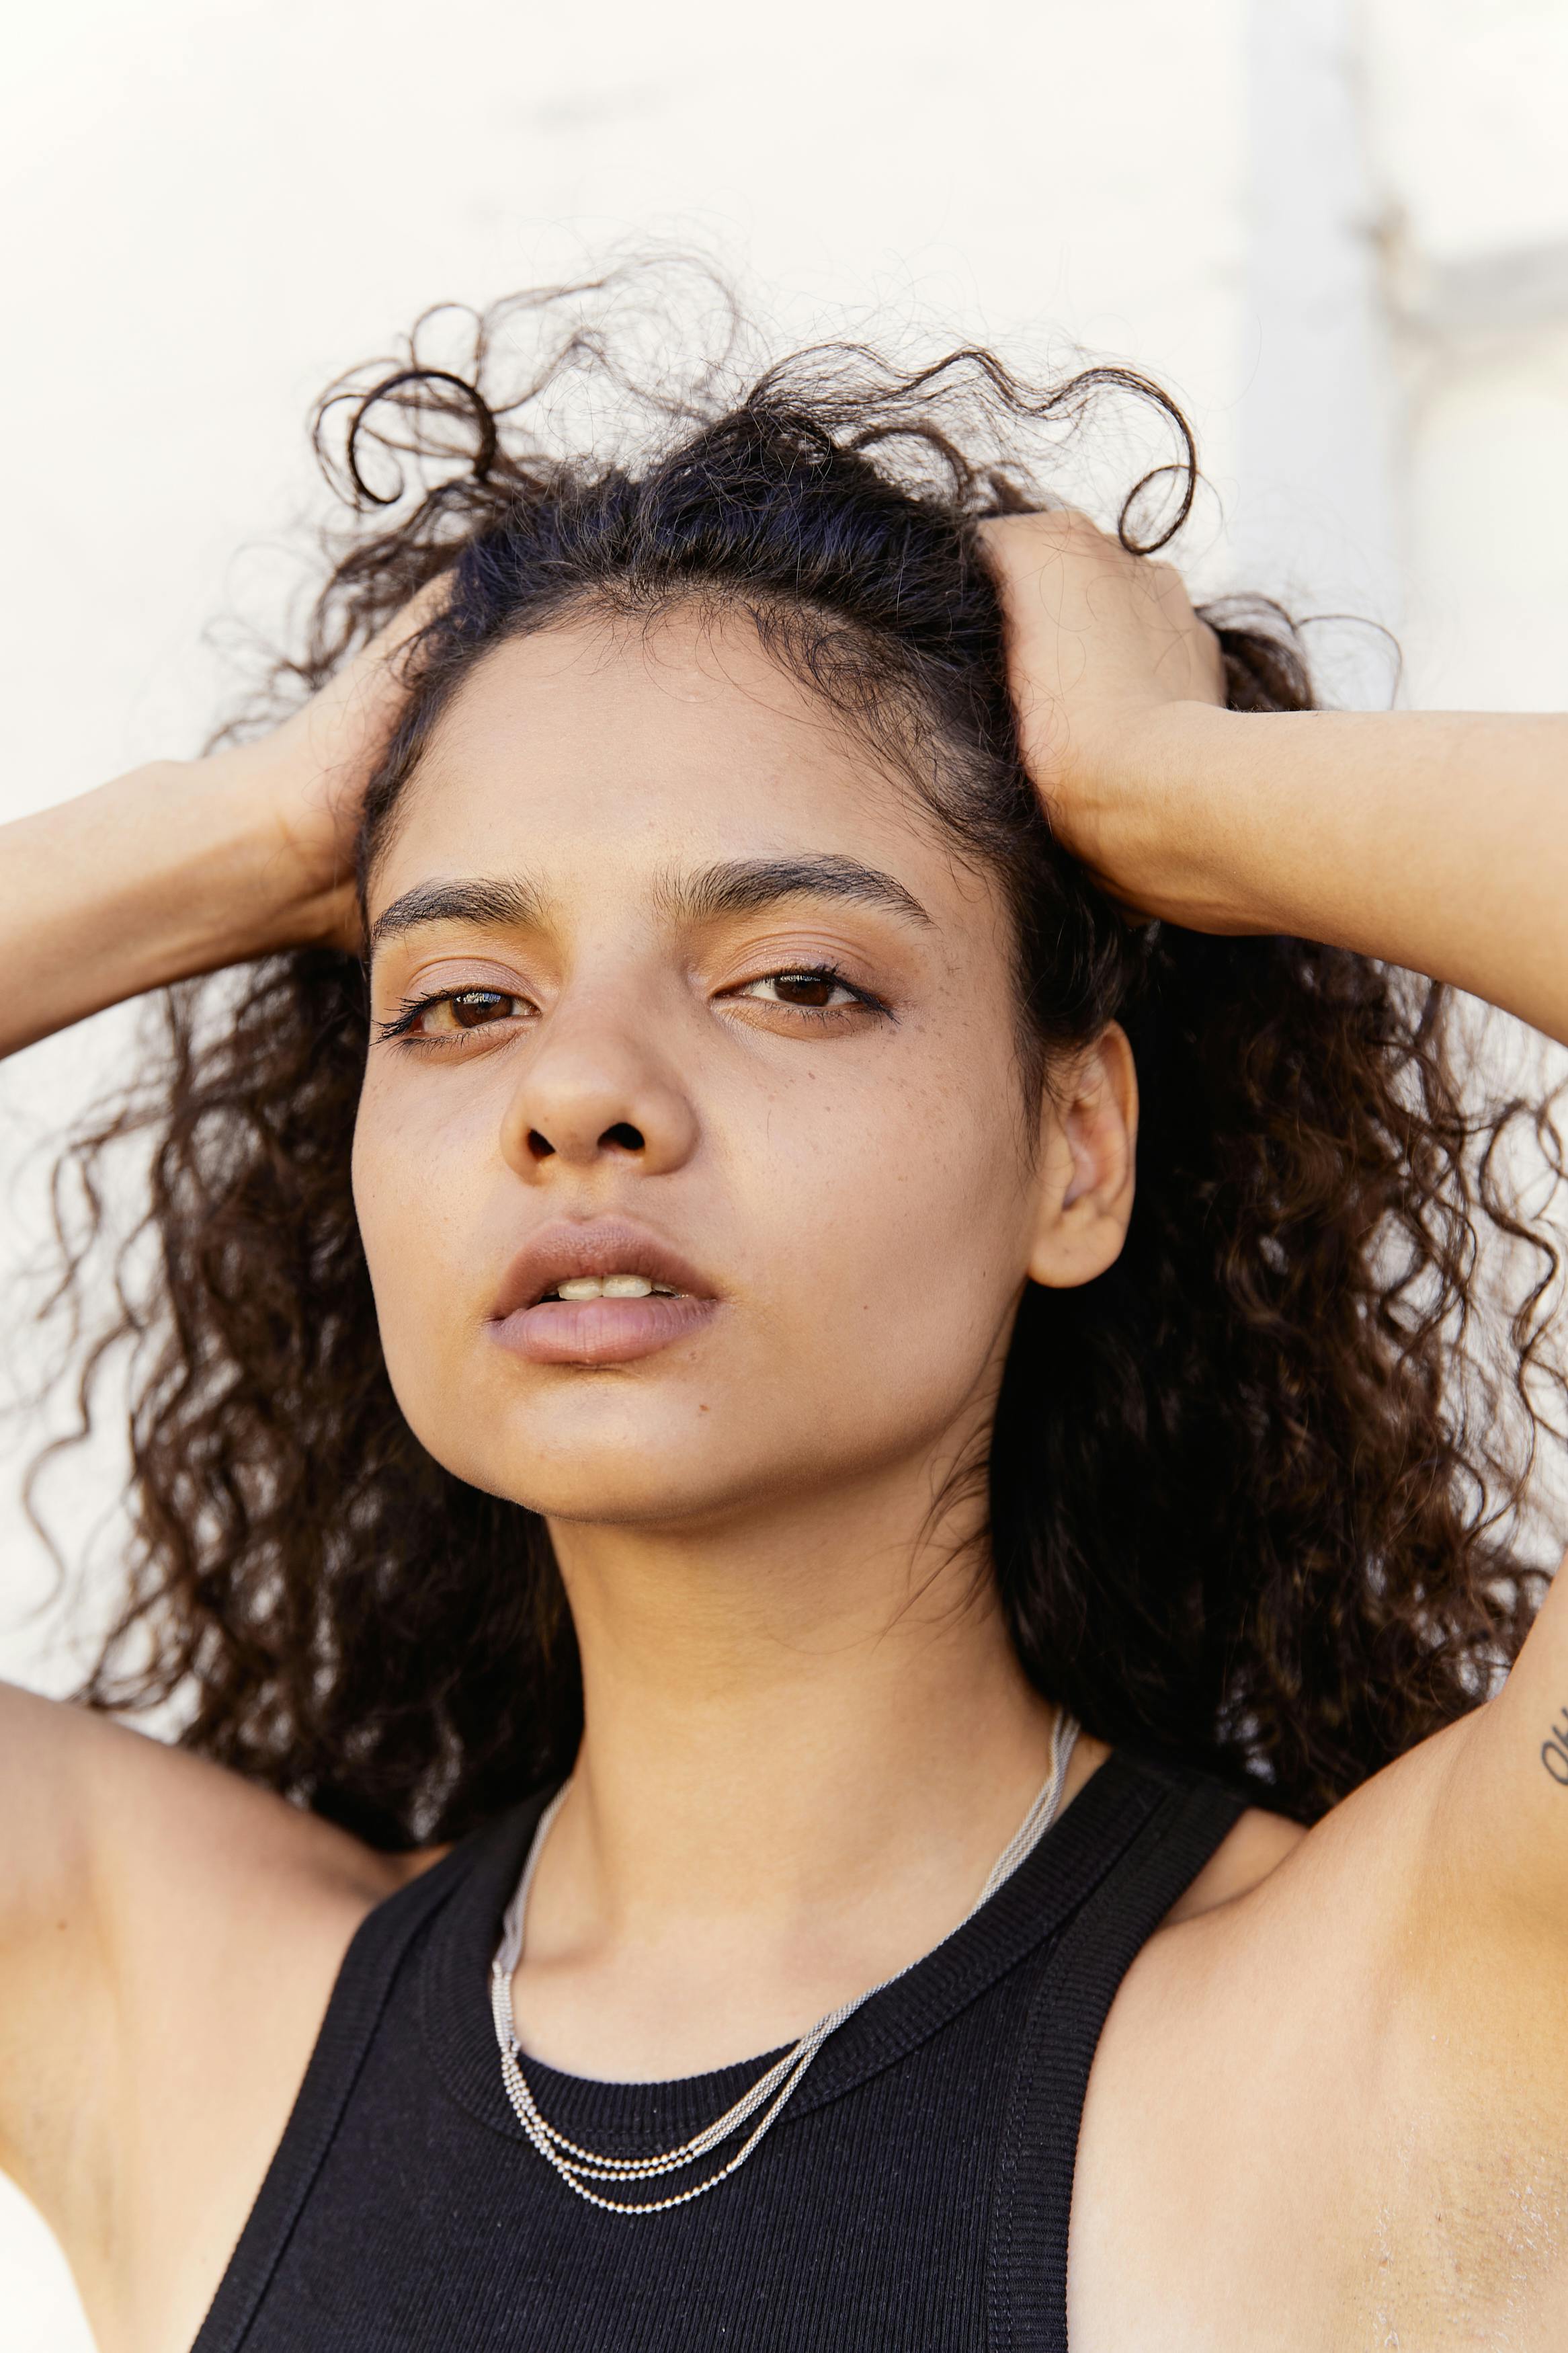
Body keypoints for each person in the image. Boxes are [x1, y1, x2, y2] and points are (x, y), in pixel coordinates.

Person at [2, 287, 1567, 2352]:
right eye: (463, 1000)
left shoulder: (1397, 2008)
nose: (584, 1091)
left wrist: (1167, 784)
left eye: (794, 978)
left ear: (1075, 1149)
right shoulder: (187, 2007)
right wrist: (260, 829)